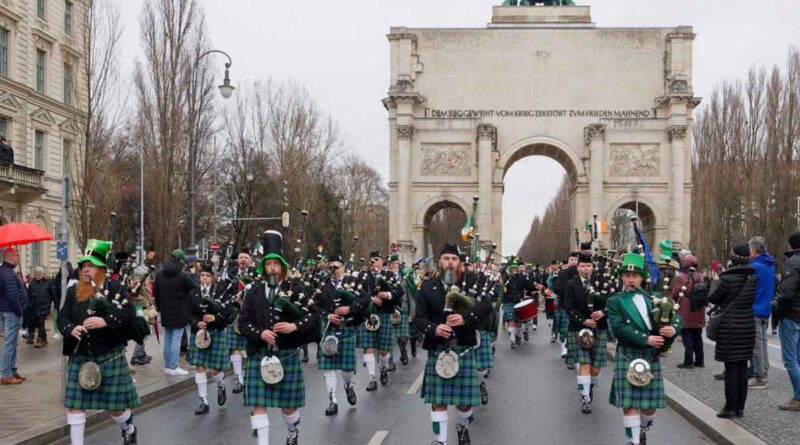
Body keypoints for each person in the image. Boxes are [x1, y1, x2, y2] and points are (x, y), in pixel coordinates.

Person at [238, 230, 320, 445]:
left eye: (275, 264)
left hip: (286, 354)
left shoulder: (296, 289)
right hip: (260, 354)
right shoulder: (253, 292)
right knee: (258, 405)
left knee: (288, 408)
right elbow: (243, 322)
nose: (272, 268)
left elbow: (313, 315)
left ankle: (292, 430)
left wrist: (294, 326)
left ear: (282, 267)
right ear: (263, 267)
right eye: (268, 264)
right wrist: (260, 333)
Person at [58, 240, 140, 445]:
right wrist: (70, 329)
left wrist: (105, 321)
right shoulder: (74, 291)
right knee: (75, 406)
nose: (86, 269)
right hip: (81, 357)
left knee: (115, 409)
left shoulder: (115, 288)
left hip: (109, 356)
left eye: (91, 265)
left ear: (101, 269)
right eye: (84, 265)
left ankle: (128, 428)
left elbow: (130, 314)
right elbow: (62, 318)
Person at [414, 244, 493, 445]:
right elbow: (419, 318)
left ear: (459, 262)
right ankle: (440, 441)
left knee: (464, 404)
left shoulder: (472, 284)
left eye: (454, 259)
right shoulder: (427, 287)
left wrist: (466, 318)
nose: (450, 262)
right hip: (439, 349)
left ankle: (462, 425)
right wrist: (434, 329)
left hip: (463, 348)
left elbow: (486, 306)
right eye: (446, 258)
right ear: (439, 262)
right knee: (438, 401)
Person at [607, 253, 681, 445]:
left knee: (649, 408)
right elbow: (619, 328)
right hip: (628, 354)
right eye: (627, 275)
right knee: (629, 404)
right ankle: (633, 441)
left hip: (650, 357)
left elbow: (677, 317)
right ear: (621, 277)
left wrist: (672, 328)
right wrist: (646, 339)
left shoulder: (655, 298)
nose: (630, 279)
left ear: (642, 277)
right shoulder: (615, 301)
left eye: (635, 276)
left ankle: (643, 427)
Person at [315, 254, 369, 416]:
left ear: (343, 267)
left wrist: (349, 309)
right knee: (329, 368)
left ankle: (348, 385)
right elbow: (313, 306)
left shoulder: (353, 282)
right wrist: (327, 316)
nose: (333, 269)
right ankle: (333, 400)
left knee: (346, 368)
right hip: (330, 329)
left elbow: (365, 299)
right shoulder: (322, 285)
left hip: (347, 327)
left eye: (336, 266)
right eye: (330, 266)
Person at [708, 243, 756, 418]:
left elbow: (713, 298)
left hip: (729, 327)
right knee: (742, 367)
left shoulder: (726, 279)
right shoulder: (753, 278)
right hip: (747, 326)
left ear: (733, 258)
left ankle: (729, 407)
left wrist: (714, 282)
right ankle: (740, 407)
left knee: (731, 369)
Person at [188, 263, 235, 415]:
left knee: (215, 370)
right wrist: (196, 322)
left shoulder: (220, 291)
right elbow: (187, 311)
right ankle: (204, 401)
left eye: (207, 276)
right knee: (199, 367)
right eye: (202, 275)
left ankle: (220, 384)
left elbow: (229, 310)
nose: (204, 278)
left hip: (216, 331)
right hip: (198, 333)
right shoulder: (194, 292)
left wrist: (216, 317)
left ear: (212, 277)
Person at [565, 253, 608, 414]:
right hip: (579, 329)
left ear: (592, 267)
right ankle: (585, 398)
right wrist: (583, 321)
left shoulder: (602, 283)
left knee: (595, 368)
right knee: (584, 364)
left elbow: (612, 302)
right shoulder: (571, 284)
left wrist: (603, 312)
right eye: (582, 266)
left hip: (599, 327)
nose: (586, 269)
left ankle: (590, 384)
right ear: (577, 268)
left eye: (588, 266)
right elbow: (569, 307)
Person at [357, 250, 403, 391]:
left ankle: (383, 368)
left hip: (383, 314)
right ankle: (372, 378)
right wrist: (371, 299)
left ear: (382, 262)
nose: (374, 262)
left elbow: (399, 290)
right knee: (368, 347)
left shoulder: (388, 275)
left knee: (383, 351)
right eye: (372, 260)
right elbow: (357, 292)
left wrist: (387, 295)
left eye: (376, 259)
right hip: (368, 315)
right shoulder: (363, 276)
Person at [154, 249, 198, 376]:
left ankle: (167, 366)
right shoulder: (183, 275)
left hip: (165, 311)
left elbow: (156, 294)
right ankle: (174, 366)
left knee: (168, 338)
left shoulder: (160, 274)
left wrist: (160, 307)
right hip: (180, 311)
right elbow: (194, 289)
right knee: (176, 339)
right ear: (181, 261)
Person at [775, 232, 800, 411]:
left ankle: (798, 398)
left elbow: (786, 294)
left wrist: (777, 311)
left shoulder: (793, 263)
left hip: (791, 315)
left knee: (790, 360)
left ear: (791, 245)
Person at [225, 248, 255, 394]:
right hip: (235, 313)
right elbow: (223, 291)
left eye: (245, 257)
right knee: (235, 348)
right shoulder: (230, 274)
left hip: (252, 314)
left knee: (250, 347)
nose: (243, 260)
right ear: (237, 260)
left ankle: (250, 376)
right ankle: (238, 378)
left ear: (250, 260)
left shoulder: (257, 274)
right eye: (241, 257)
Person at [748, 236, 775, 389]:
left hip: (755, 308)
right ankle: (763, 371)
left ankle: (760, 377)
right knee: (762, 343)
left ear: (753, 249)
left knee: (756, 345)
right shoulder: (769, 265)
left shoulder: (755, 267)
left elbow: (748, 289)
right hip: (765, 308)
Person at [673, 255, 706, 369]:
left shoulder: (682, 277)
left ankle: (688, 361)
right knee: (698, 336)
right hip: (699, 309)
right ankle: (700, 360)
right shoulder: (700, 277)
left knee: (687, 336)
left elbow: (675, 294)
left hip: (686, 310)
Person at [1, 247, 26, 384]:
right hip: (11, 312)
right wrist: (19, 311)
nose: (18, 257)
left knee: (12, 343)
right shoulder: (8, 273)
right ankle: (6, 374)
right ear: (10, 256)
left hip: (6, 310)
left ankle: (12, 370)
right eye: (17, 255)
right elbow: (12, 296)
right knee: (9, 344)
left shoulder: (5, 271)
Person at [129, 266, 154, 366]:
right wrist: (146, 303)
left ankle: (141, 353)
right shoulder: (137, 282)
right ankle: (136, 355)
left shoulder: (142, 281)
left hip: (145, 308)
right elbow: (134, 295)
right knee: (142, 332)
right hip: (141, 309)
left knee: (146, 331)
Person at [26, 266, 56, 348]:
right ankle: (44, 339)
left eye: (39, 273)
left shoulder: (49, 282)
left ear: (43, 274)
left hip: (45, 306)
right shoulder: (32, 283)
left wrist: (55, 305)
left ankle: (40, 340)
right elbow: (28, 294)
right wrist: (28, 303)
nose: (37, 275)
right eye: (36, 273)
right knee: (37, 323)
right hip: (34, 307)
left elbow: (53, 294)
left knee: (40, 323)